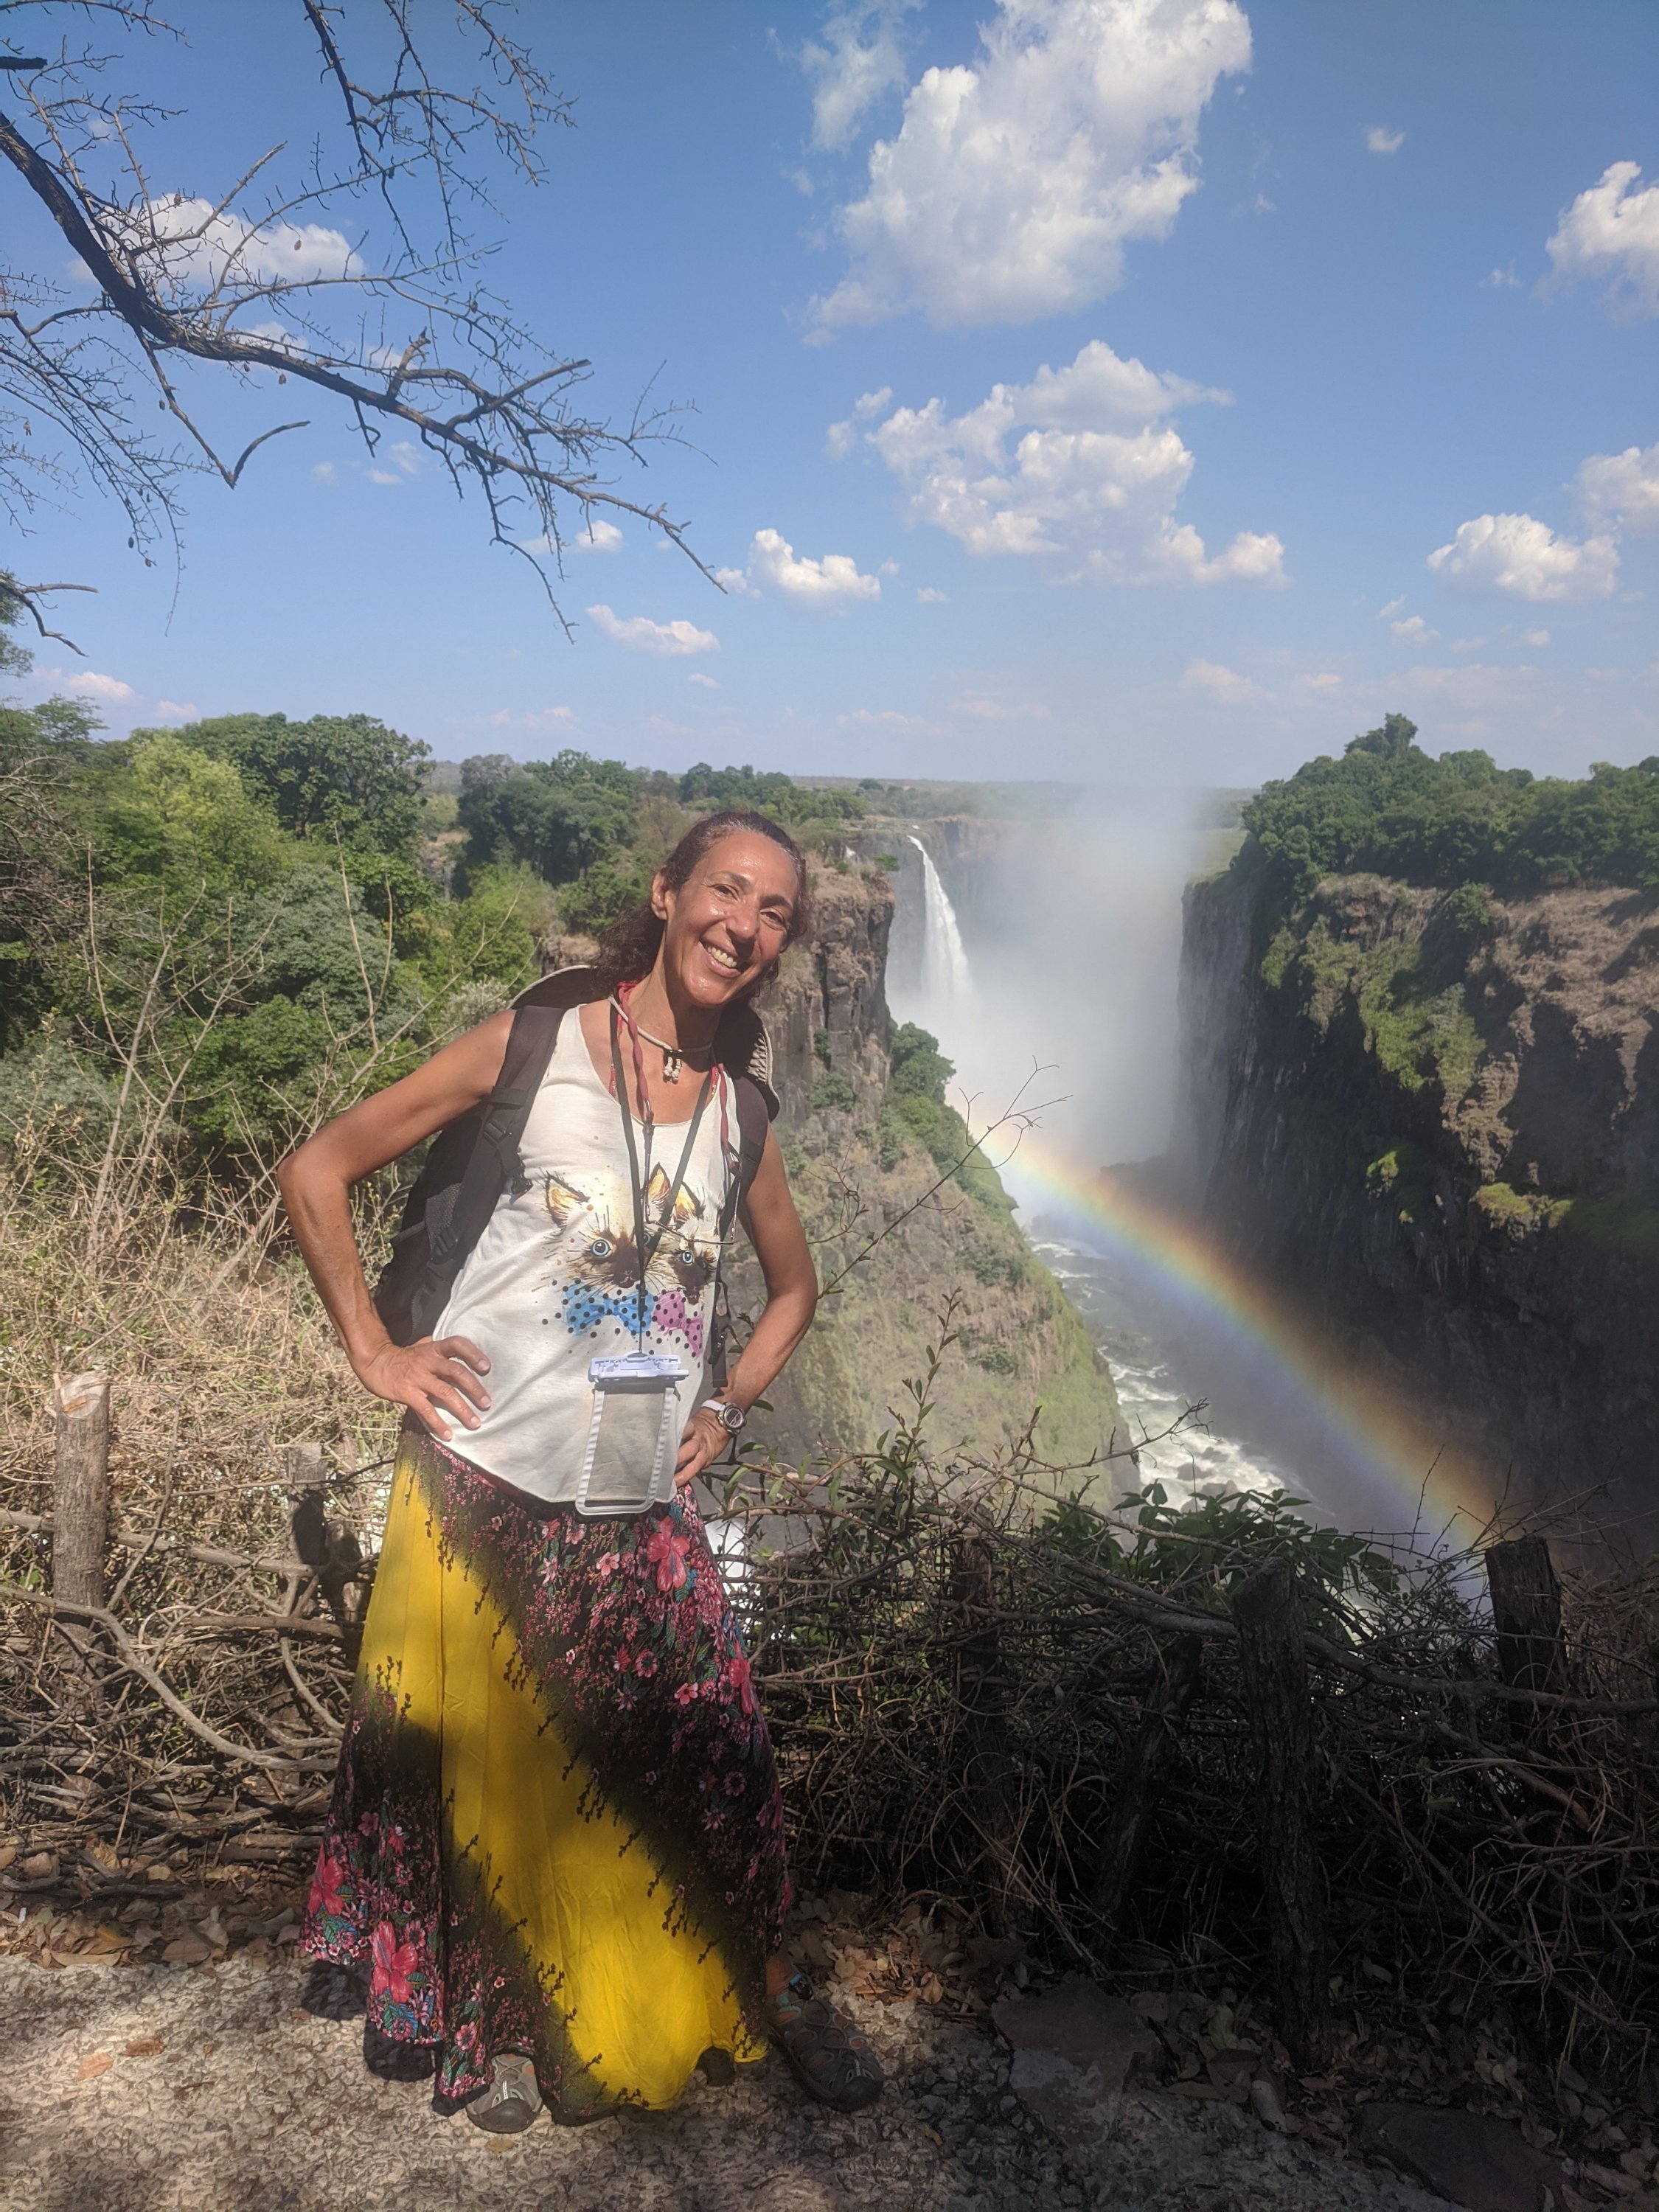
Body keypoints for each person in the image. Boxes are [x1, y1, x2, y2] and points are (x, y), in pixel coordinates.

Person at [277, 809, 883, 2129]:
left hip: (638, 1492)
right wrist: (377, 1351)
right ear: (666, 895)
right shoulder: (534, 1043)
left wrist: (728, 1404)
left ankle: (771, 1993)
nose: (745, 925)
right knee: (497, 1769)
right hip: (484, 1470)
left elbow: (794, 1288)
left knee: (720, 1751)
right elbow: (316, 1166)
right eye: (726, 890)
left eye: (775, 912)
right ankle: (499, 2025)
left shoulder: (738, 1110)